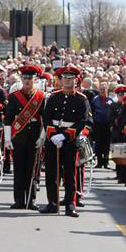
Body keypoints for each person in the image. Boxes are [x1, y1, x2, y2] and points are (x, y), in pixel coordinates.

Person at [40, 66, 91, 217]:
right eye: (65, 78)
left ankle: (70, 204)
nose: (67, 81)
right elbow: (46, 117)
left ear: (76, 80)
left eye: (71, 78)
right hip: (53, 139)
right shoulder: (53, 97)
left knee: (70, 173)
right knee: (51, 172)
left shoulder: (82, 99)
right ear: (60, 80)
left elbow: (83, 120)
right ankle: (52, 203)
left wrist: (65, 136)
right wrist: (52, 134)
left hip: (69, 141)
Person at [3, 64, 45, 209]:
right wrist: (8, 138)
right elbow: (8, 118)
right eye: (25, 78)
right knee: (19, 170)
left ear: (35, 79)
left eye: (30, 78)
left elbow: (45, 120)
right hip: (19, 136)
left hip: (34, 136)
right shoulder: (14, 97)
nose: (27, 81)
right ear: (21, 79)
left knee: (32, 170)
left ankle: (31, 200)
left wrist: (42, 137)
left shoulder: (40, 97)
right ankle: (19, 200)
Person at [90, 82, 113, 168]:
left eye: (104, 89)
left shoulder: (111, 100)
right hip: (98, 124)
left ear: (107, 90)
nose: (103, 91)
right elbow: (91, 111)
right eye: (101, 89)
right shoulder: (95, 99)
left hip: (108, 125)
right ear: (99, 90)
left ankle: (106, 162)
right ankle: (99, 162)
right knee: (99, 144)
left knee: (107, 144)